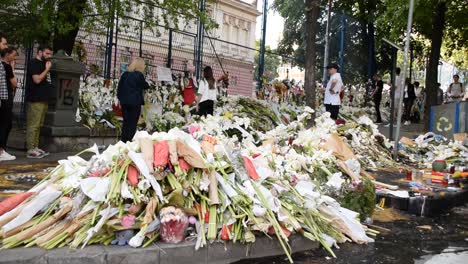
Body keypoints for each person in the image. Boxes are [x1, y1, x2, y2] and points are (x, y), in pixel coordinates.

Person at [26, 45, 53, 158]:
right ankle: (30, 149)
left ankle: (35, 146)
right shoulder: (34, 63)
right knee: (33, 125)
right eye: (47, 53)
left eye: (50, 54)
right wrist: (47, 70)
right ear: (40, 52)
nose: (49, 56)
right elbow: (36, 80)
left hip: (43, 98)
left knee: (39, 125)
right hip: (35, 98)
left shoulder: (44, 64)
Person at [117, 57, 149, 142]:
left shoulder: (125, 74)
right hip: (134, 103)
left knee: (126, 122)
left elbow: (119, 88)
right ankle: (129, 141)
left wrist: (121, 99)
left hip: (124, 103)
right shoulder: (139, 75)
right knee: (132, 123)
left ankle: (123, 141)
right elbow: (145, 85)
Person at [0, 35, 17, 161]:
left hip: (4, 97)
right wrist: (12, 67)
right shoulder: (5, 66)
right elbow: (14, 83)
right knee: (5, 123)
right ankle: (1, 151)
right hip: (4, 98)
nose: (5, 47)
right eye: (4, 44)